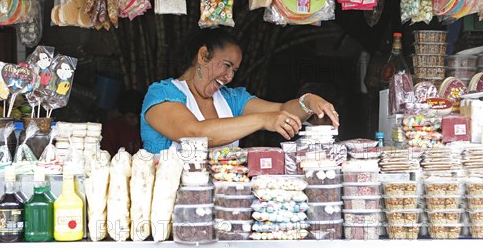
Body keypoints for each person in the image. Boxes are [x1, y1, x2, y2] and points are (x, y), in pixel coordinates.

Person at [141, 28, 340, 154]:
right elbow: (194, 133)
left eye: (234, 70)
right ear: (203, 56)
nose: (228, 76)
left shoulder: (232, 99)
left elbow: (282, 109)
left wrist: (308, 101)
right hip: (171, 207)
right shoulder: (161, 94)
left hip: (226, 204)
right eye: (225, 65)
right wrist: (263, 120)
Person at [102, 89, 144, 156]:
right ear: (122, 115)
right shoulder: (112, 128)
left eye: (139, 117)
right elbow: (106, 155)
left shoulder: (146, 127)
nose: (136, 121)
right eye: (131, 117)